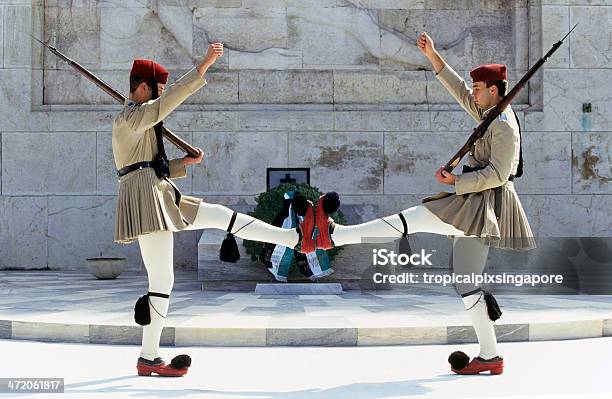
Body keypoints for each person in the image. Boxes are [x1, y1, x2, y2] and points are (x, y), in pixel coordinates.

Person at [299, 31, 536, 375]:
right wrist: (434, 56)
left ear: (495, 90)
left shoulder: (503, 126)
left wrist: (457, 181)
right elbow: (458, 90)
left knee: (414, 218)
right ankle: (490, 356)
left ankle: (333, 234)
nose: (473, 93)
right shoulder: (489, 114)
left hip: (480, 203)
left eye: (479, 89)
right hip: (477, 202)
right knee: (467, 283)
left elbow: (501, 174)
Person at [112, 43, 312, 376]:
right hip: (147, 199)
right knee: (162, 279)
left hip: (157, 191)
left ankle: (290, 238)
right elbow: (146, 142)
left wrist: (181, 164)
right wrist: (202, 67)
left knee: (218, 217)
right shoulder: (130, 117)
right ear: (144, 87)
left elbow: (145, 163)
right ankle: (148, 357)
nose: (160, 98)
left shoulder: (138, 118)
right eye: (157, 91)